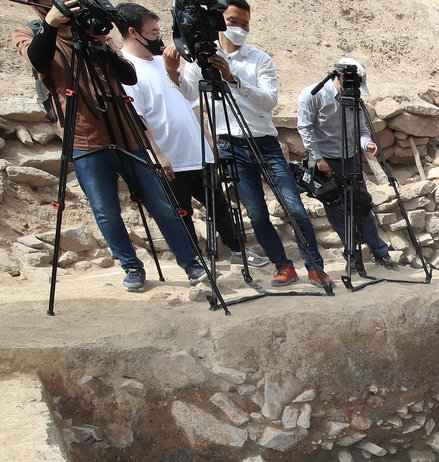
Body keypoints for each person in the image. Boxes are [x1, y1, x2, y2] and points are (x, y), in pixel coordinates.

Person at [14, 6, 209, 293]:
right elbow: (40, 61)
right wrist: (52, 24)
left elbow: (128, 77)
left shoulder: (93, 33)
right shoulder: (32, 31)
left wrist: (103, 43)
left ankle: (191, 261)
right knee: (106, 211)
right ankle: (131, 266)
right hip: (85, 139)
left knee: (161, 203)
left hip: (127, 134)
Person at [174, 0, 330, 288]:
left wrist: (232, 79)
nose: (241, 29)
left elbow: (268, 101)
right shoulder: (200, 60)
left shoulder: (259, 59)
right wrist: (173, 71)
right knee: (256, 213)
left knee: (294, 207)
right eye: (234, 21)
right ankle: (283, 266)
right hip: (230, 145)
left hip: (265, 143)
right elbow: (189, 93)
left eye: (245, 24)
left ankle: (315, 267)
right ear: (219, 21)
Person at [116, 3, 265, 269]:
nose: (158, 36)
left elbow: (190, 102)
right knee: (180, 212)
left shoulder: (163, 62)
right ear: (132, 32)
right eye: (152, 31)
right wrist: (157, 155)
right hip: (170, 157)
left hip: (197, 150)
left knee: (219, 206)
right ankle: (196, 264)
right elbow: (137, 118)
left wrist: (207, 136)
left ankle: (237, 250)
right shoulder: (128, 69)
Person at [297, 57, 394, 274]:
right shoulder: (313, 95)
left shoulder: (355, 99)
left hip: (350, 159)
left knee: (362, 205)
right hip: (326, 161)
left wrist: (367, 144)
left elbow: (360, 130)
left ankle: (380, 252)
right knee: (337, 210)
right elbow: (305, 128)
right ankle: (352, 255)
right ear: (337, 77)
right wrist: (318, 158)